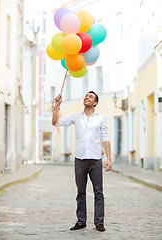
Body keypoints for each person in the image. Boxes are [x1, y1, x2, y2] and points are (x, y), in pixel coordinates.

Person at [52, 91, 112, 232]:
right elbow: (56, 122)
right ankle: (81, 221)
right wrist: (57, 106)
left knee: (98, 192)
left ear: (95, 102)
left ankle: (99, 222)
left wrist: (108, 158)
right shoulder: (76, 117)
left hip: (95, 160)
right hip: (80, 159)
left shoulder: (101, 118)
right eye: (86, 95)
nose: (86, 97)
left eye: (90, 96)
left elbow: (105, 138)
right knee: (81, 192)